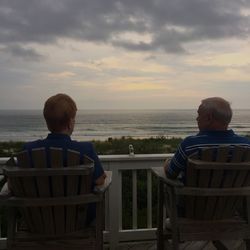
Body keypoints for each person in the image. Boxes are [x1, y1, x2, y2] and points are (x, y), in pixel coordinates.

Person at [23, 93, 106, 224]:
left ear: (47, 123)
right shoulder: (86, 149)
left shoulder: (28, 150)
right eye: (74, 119)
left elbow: (13, 183)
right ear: (69, 123)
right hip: (78, 221)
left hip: (39, 222)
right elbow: (100, 180)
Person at [164, 97, 250, 182]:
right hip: (236, 196)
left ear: (209, 118)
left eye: (199, 114)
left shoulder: (190, 144)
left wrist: (167, 163)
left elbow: (171, 173)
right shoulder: (246, 145)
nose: (197, 119)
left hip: (194, 196)